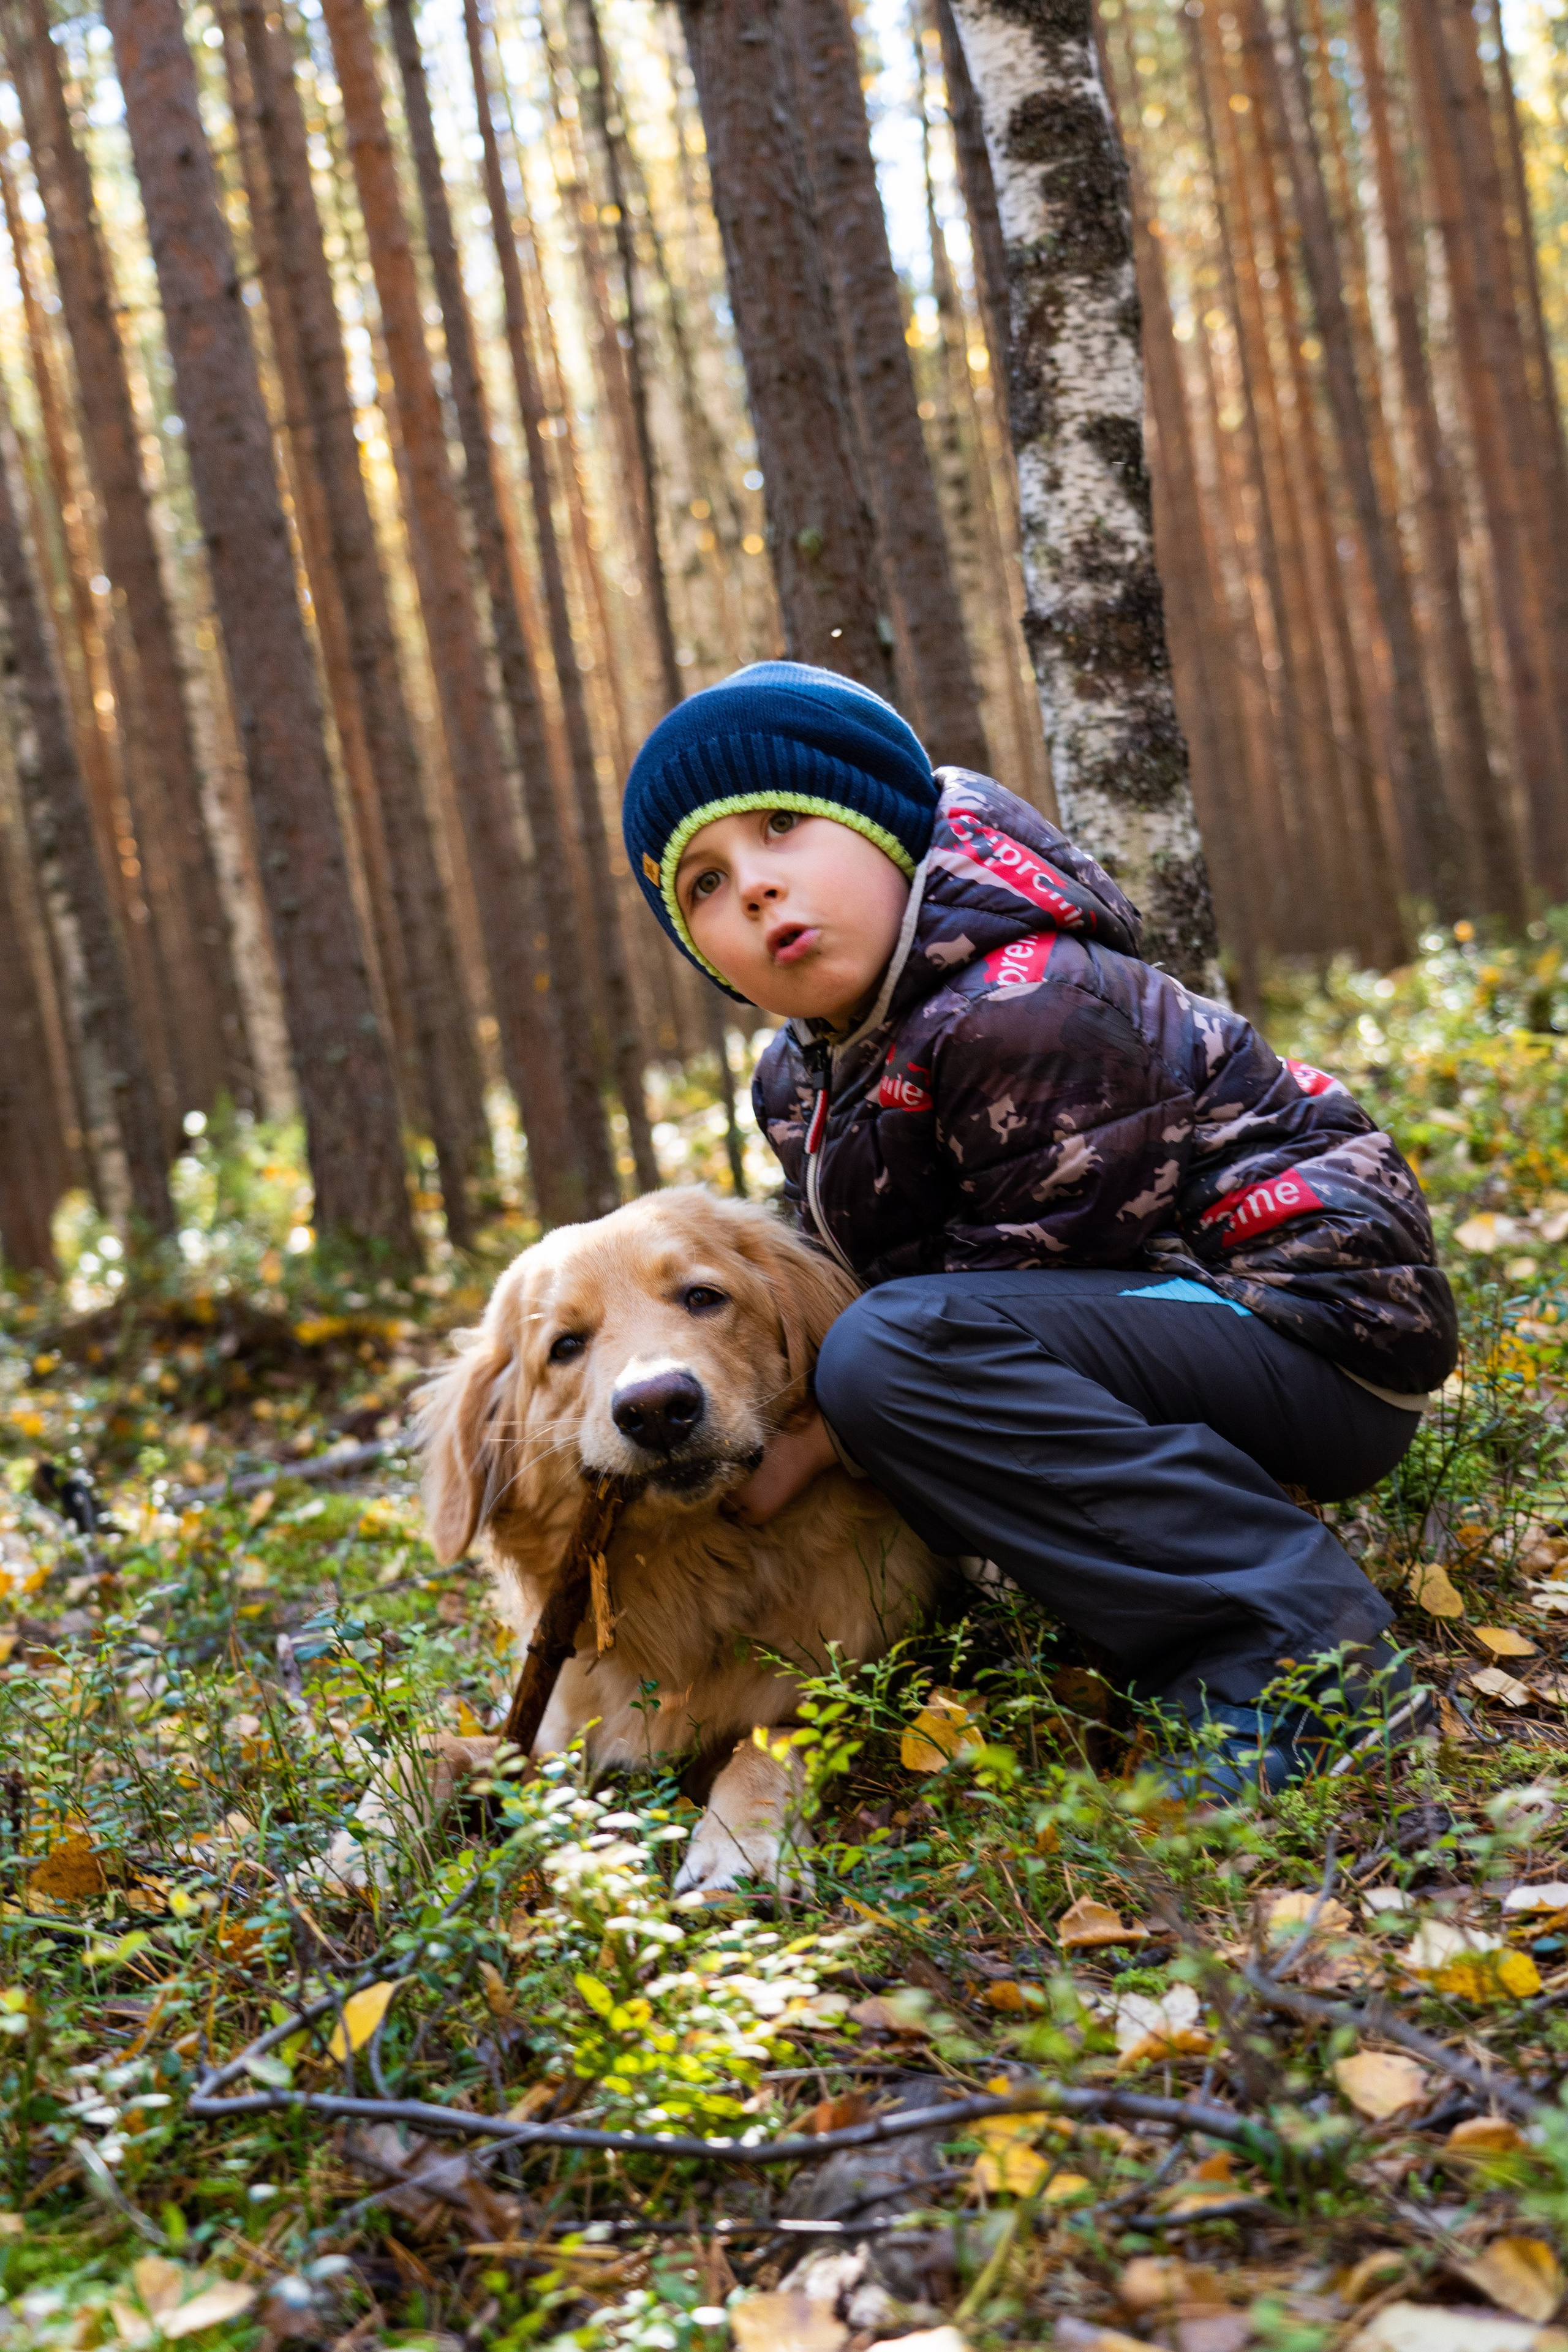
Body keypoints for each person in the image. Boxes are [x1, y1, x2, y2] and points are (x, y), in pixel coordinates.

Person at [621, 661, 1456, 1798]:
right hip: (1163, 1339)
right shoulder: (801, 1076)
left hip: (1306, 1332)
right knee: (885, 1358)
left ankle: (1301, 1656)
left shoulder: (1026, 999)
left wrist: (822, 1439)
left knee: (892, 1359)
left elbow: (1052, 1264)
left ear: (890, 827)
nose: (757, 890)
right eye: (707, 884)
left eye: (784, 827)